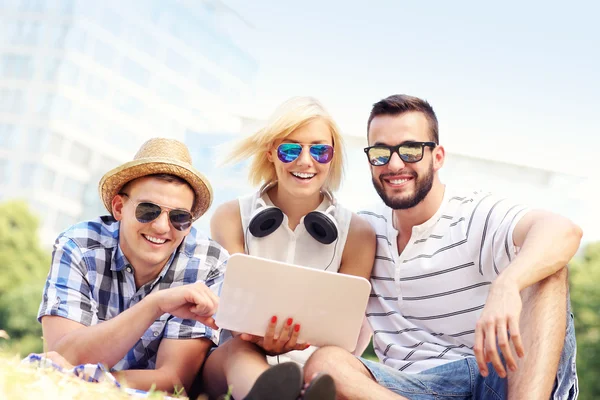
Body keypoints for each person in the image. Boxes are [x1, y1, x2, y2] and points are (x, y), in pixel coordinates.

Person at [303, 94, 582, 399]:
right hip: (408, 389)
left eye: (410, 150)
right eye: (381, 153)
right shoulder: (363, 231)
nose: (394, 164)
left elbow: (563, 230)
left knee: (548, 273)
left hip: (495, 378)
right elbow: (345, 338)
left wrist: (507, 285)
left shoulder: (471, 213)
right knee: (325, 364)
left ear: (437, 157)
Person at [201, 96, 377, 400]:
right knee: (240, 350)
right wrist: (257, 336)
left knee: (331, 365)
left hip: (315, 369)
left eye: (320, 150)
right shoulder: (230, 217)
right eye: (291, 149)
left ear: (332, 158)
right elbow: (226, 310)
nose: (305, 161)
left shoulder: (359, 234)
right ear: (271, 153)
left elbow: (344, 334)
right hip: (235, 357)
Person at [37, 138, 228, 396]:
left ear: (190, 225)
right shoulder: (78, 245)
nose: (161, 227)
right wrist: (155, 305)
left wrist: (85, 379)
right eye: (148, 210)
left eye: (179, 217)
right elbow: (63, 354)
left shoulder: (209, 263)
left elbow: (173, 380)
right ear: (119, 207)